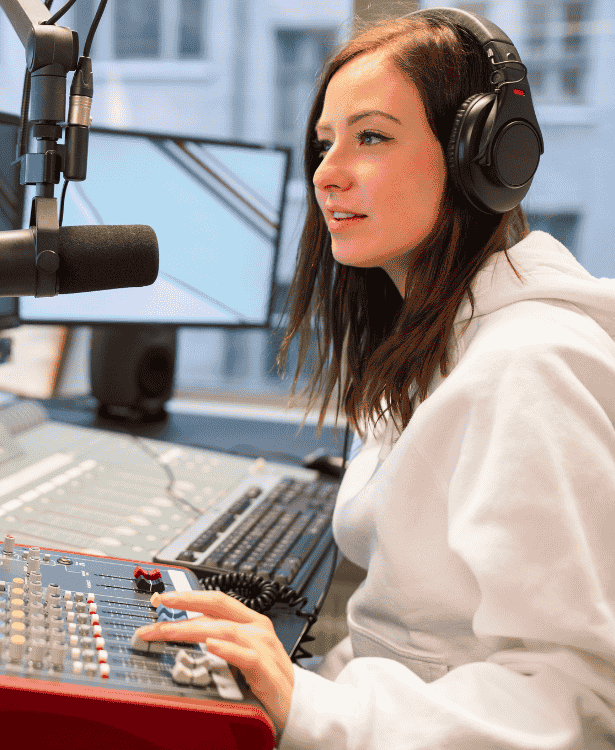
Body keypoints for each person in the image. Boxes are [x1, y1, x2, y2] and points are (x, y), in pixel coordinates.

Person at [135, 9, 615, 749]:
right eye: (326, 142)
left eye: (373, 137)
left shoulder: (529, 367)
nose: (327, 172)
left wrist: (307, 703)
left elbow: (574, 706)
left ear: (484, 159)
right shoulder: (433, 342)